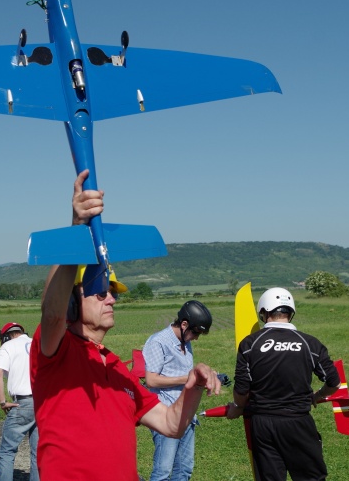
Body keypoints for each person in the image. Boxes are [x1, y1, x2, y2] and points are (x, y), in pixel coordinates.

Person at [29, 169, 221, 481]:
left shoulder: (118, 369)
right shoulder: (55, 352)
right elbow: (51, 313)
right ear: (73, 303)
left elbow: (172, 424)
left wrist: (194, 384)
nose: (112, 301)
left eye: (113, 294)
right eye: (101, 293)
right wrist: (77, 231)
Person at [226, 288, 341, 481]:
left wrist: (237, 407)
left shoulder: (250, 344)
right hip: (298, 422)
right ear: (290, 312)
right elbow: (333, 381)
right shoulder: (310, 343)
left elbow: (242, 389)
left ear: (264, 312)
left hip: (262, 425)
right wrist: (317, 396)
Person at [142, 300, 213, 481]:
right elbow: (151, 379)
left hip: (187, 415)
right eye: (196, 332)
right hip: (166, 414)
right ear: (183, 324)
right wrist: (187, 379)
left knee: (184, 470)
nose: (196, 338)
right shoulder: (158, 342)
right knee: (163, 473)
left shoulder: (185, 342)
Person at [0, 322, 39, 481]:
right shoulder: (36, 343)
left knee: (7, 451)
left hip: (21, 403)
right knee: (37, 453)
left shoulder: (8, 346)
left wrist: (2, 401)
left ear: (5, 336)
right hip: (41, 402)